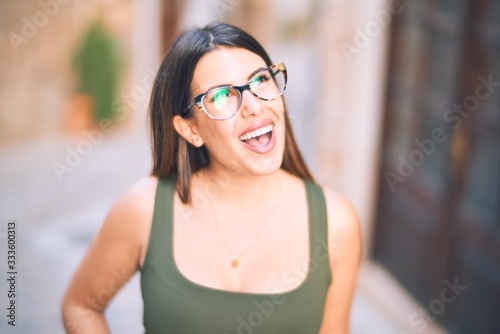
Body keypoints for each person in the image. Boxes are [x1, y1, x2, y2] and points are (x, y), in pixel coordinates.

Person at [62, 22, 361, 333]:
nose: (254, 106)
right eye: (221, 97)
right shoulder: (144, 210)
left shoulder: (336, 223)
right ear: (190, 130)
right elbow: (81, 306)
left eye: (260, 80)